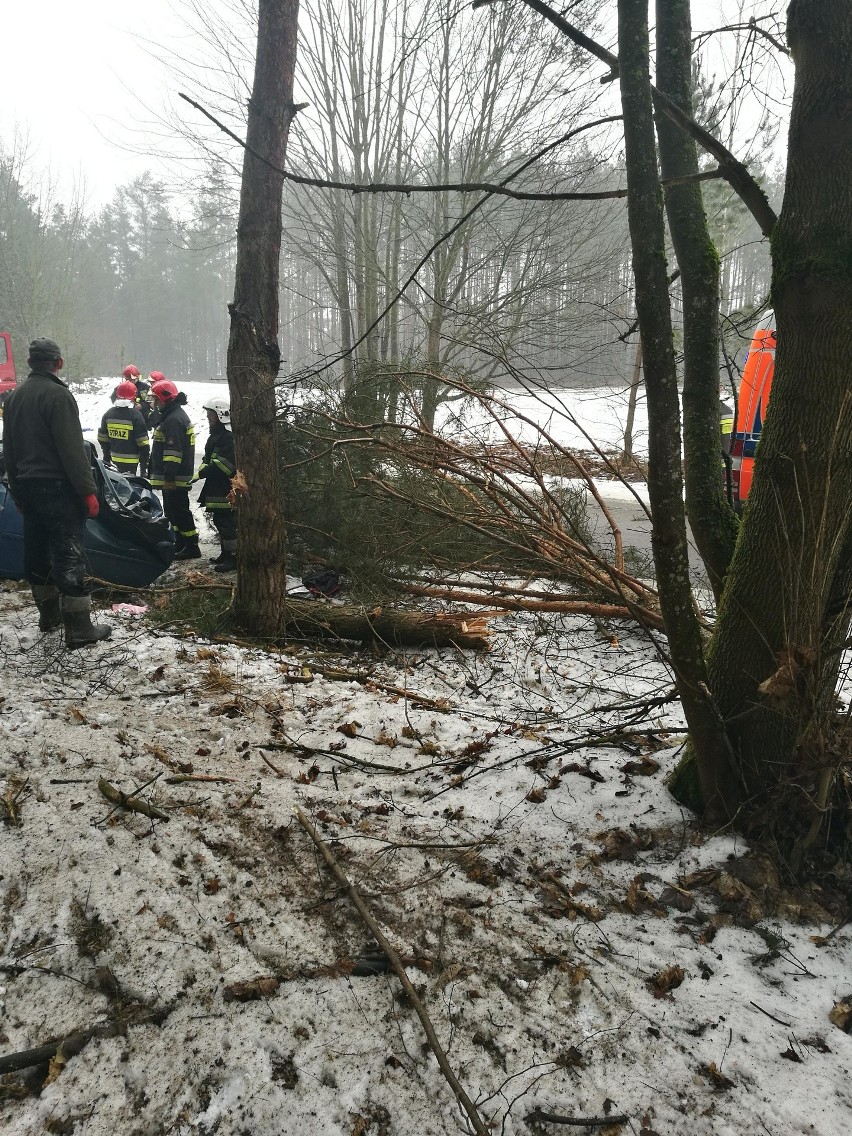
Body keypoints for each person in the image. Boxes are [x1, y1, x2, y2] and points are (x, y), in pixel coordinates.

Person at [2, 337, 111, 647]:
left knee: (36, 556)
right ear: (58, 363)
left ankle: (49, 617)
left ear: (29, 363)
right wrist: (88, 492)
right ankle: (78, 631)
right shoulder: (58, 396)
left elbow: (9, 450)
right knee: (70, 558)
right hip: (59, 490)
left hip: (28, 489)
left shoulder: (14, 398)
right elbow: (72, 451)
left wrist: (18, 492)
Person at [148, 377, 200, 560]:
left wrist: (169, 477)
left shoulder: (174, 420)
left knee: (179, 510)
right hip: (173, 476)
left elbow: (173, 453)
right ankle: (181, 542)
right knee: (172, 511)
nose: (153, 403)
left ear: (165, 399)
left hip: (175, 477)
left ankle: (192, 545)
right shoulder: (171, 416)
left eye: (155, 399)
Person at [197, 395, 237, 572]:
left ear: (220, 415)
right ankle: (225, 554)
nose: (208, 417)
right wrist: (203, 469)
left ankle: (233, 558)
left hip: (224, 487)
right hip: (215, 486)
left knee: (226, 523)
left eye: (211, 414)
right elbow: (208, 458)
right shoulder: (215, 436)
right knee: (220, 521)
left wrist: (206, 470)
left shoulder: (228, 437)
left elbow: (226, 465)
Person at [97, 380, 150, 476]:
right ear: (134, 396)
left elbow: (102, 438)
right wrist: (143, 469)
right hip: (132, 463)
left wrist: (107, 457)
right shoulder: (136, 415)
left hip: (113, 461)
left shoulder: (108, 413)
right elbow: (143, 444)